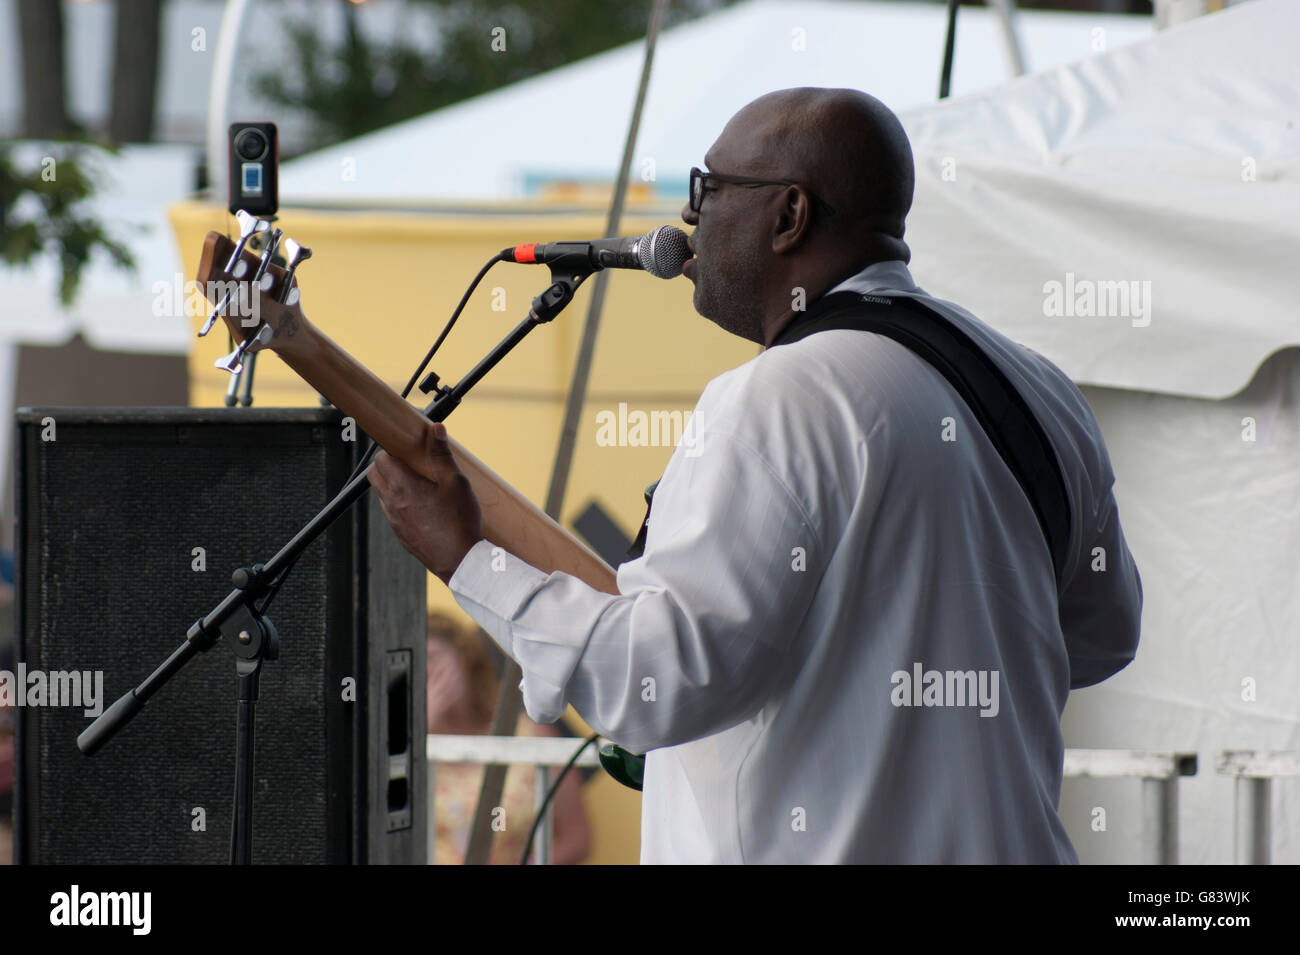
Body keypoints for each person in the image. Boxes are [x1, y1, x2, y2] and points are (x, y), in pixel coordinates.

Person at [369, 87, 1143, 863]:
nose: (688, 221)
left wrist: (467, 558)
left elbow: (654, 682)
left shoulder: (778, 397)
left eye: (707, 190)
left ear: (789, 215)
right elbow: (1105, 635)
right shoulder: (1037, 387)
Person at [425, 612, 590, 865]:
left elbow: (576, 838)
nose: (428, 673)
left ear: (465, 661)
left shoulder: (529, 734)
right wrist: (423, 727)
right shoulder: (402, 745)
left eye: (434, 659)